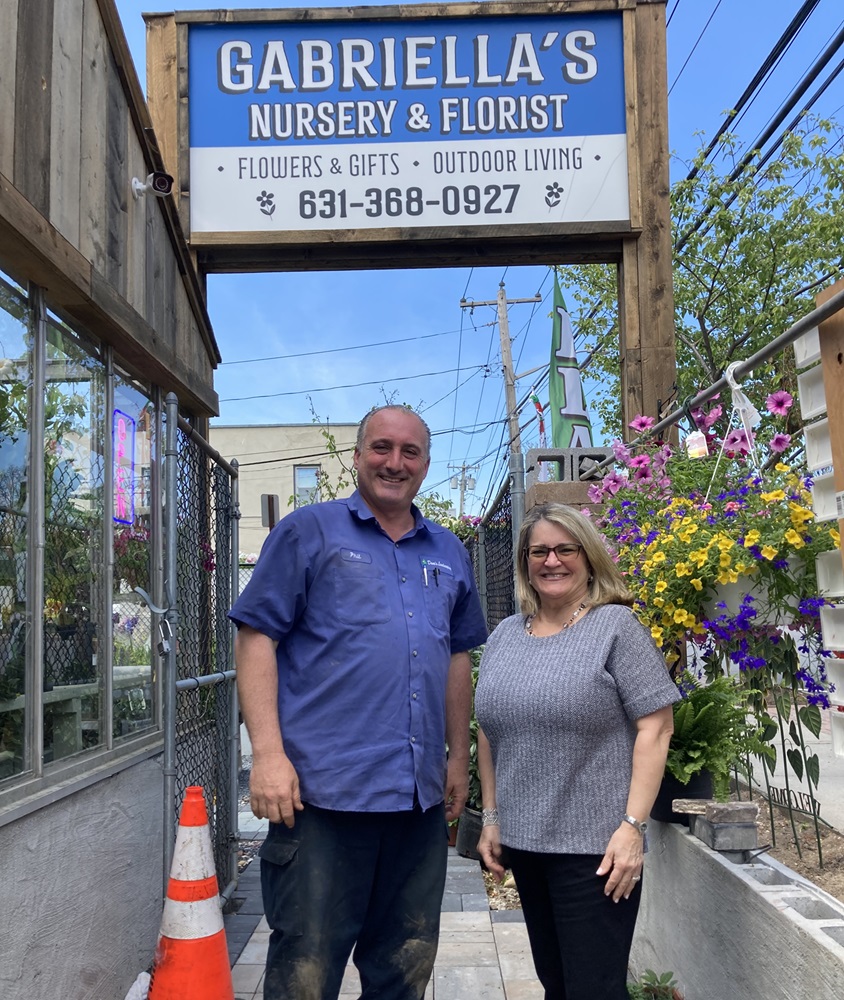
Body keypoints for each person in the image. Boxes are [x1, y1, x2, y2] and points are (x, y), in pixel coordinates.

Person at [229, 404, 487, 1000]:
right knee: (305, 975)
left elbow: (456, 656)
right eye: (381, 447)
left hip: (416, 808)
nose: (394, 463)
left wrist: (456, 759)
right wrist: (266, 754)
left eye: (410, 452)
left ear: (426, 464)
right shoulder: (307, 532)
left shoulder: (448, 551)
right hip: (321, 802)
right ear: (357, 454)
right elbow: (256, 638)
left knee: (404, 968)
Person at [474, 502, 680, 1000]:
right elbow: (489, 729)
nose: (552, 561)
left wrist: (632, 829)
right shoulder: (506, 635)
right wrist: (492, 817)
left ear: (588, 557)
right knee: (557, 984)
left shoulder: (616, 628)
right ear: (524, 561)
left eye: (566, 549)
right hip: (526, 844)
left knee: (594, 988)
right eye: (539, 551)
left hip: (597, 851)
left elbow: (657, 728)